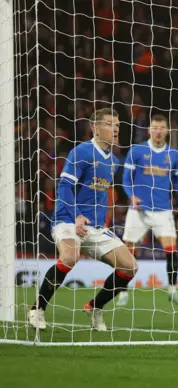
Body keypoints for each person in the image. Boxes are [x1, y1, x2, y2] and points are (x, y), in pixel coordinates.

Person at [28, 108, 137, 332]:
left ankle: (94, 307)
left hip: (95, 227)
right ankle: (37, 308)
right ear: (94, 128)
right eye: (109, 124)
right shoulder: (81, 152)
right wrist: (76, 214)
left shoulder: (114, 161)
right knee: (69, 256)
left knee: (130, 267)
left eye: (117, 125)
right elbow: (65, 186)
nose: (115, 129)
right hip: (68, 219)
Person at [117, 114, 178, 307]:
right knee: (128, 253)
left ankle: (172, 291)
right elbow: (125, 179)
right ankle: (123, 292)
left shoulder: (174, 155)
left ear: (167, 130)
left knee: (171, 249)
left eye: (162, 127)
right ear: (149, 130)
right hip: (138, 210)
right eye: (155, 127)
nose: (158, 131)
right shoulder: (137, 150)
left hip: (163, 210)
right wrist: (131, 195)